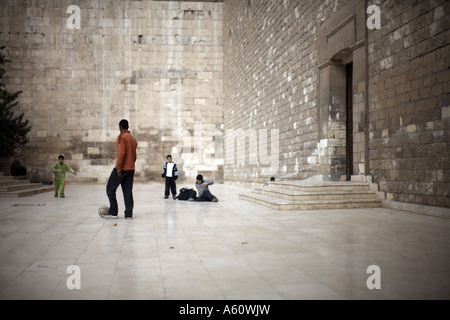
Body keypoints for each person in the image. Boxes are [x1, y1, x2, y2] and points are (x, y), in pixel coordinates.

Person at [102, 119, 137, 219]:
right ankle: (129, 214)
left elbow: (121, 154)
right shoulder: (133, 139)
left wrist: (118, 169)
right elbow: (134, 156)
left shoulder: (122, 136)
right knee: (127, 191)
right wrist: (130, 165)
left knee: (110, 188)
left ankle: (113, 212)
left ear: (120, 127)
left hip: (122, 168)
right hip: (131, 168)